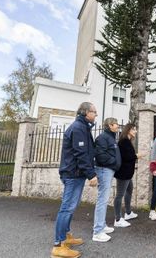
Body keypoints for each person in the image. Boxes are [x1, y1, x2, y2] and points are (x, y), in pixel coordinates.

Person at [51, 102, 98, 258]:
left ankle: (66, 236)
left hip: (76, 174)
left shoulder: (82, 127)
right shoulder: (78, 128)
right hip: (72, 174)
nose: (96, 115)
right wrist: (91, 174)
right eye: (94, 112)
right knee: (67, 207)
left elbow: (86, 151)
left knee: (71, 206)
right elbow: (80, 153)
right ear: (86, 112)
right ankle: (58, 245)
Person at [92, 118, 121, 242]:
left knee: (104, 199)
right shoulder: (103, 137)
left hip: (108, 170)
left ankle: (102, 226)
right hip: (104, 170)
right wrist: (114, 163)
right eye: (116, 124)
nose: (118, 126)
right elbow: (100, 155)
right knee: (102, 200)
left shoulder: (110, 137)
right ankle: (97, 231)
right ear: (110, 125)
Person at [113, 123, 140, 227]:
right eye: (134, 129)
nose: (135, 131)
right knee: (119, 195)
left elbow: (129, 156)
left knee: (129, 190)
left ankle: (128, 213)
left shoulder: (128, 141)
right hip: (123, 173)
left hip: (128, 173)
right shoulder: (123, 142)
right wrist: (136, 156)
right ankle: (118, 219)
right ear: (128, 130)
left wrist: (134, 156)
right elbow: (126, 157)